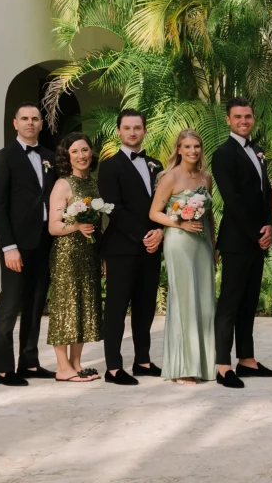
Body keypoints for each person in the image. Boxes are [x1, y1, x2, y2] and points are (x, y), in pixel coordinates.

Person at [211, 97, 272, 388]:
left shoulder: (258, 150)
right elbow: (233, 201)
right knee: (230, 302)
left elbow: (267, 193)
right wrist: (255, 232)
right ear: (228, 120)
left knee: (249, 301)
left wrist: (270, 224)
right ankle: (223, 365)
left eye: (248, 116)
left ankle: (247, 360)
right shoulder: (223, 154)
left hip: (258, 238)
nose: (244, 121)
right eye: (238, 116)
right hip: (238, 240)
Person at [0, 102, 57, 386]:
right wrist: (8, 246)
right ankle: (3, 370)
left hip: (44, 241)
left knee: (35, 303)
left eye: (35, 119)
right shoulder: (3, 157)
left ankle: (29, 362)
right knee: (11, 304)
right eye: (25, 119)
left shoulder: (51, 157)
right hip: (17, 244)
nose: (30, 123)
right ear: (15, 124)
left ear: (41, 124)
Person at [98, 109, 164, 385]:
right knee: (116, 307)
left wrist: (160, 231)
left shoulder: (156, 165)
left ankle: (143, 360)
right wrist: (144, 234)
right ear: (119, 132)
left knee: (145, 306)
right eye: (127, 128)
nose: (133, 132)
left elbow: (165, 204)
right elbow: (114, 208)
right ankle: (113, 367)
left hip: (152, 246)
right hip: (122, 247)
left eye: (137, 127)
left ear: (145, 131)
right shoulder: (110, 166)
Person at [149, 129, 217, 384]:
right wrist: (180, 223)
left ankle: (204, 364)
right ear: (178, 149)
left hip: (203, 243)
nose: (192, 151)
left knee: (205, 302)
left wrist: (213, 244)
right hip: (179, 241)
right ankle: (183, 367)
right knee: (185, 300)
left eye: (196, 147)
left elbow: (209, 215)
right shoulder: (169, 177)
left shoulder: (206, 177)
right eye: (187, 147)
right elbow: (155, 212)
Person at [46, 133, 104, 382]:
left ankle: (76, 363)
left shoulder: (94, 183)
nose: (81, 156)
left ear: (91, 153)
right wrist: (77, 226)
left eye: (85, 150)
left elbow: (99, 223)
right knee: (65, 308)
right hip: (67, 255)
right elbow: (53, 226)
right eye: (75, 152)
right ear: (67, 157)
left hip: (89, 253)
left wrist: (101, 254)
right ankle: (62, 367)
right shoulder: (63, 184)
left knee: (83, 306)